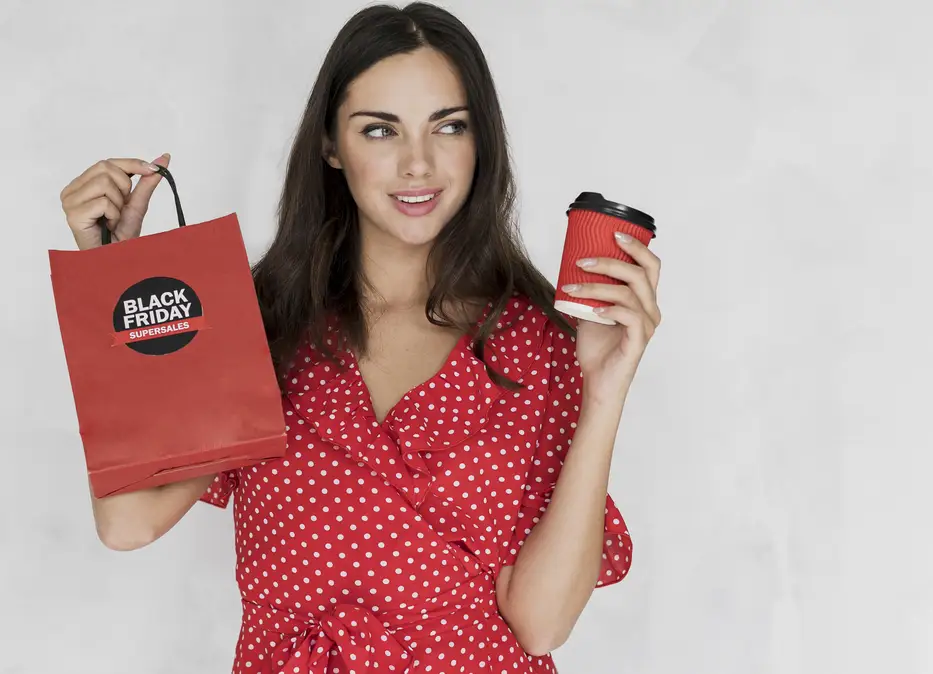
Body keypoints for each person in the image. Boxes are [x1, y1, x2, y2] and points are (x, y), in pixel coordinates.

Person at [55, 3, 661, 672]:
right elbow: (128, 521)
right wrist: (114, 282)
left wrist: (605, 388)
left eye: (449, 127)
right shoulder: (259, 321)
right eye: (380, 130)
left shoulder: (536, 341)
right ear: (331, 145)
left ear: (480, 140)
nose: (418, 164)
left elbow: (541, 623)